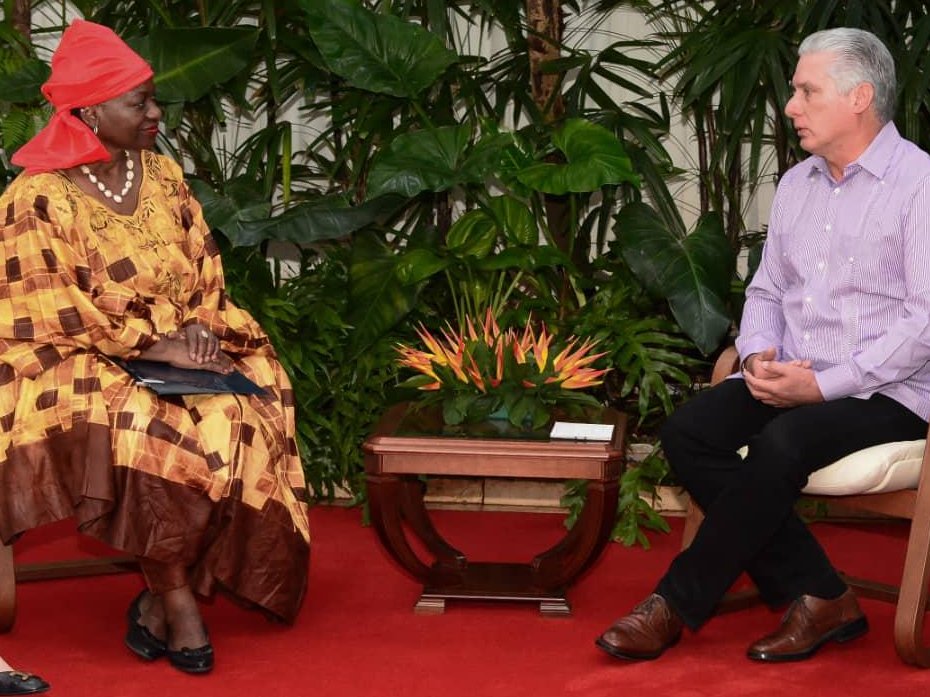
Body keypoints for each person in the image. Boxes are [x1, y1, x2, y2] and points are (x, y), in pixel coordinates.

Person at [596, 27, 930, 663]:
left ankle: (673, 604)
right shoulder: (800, 184)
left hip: (889, 389)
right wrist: (756, 356)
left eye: (807, 91)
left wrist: (822, 387)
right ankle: (819, 591)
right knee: (690, 430)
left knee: (785, 441)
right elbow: (769, 288)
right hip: (793, 374)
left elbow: (925, 321)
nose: (790, 105)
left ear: (860, 97)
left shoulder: (921, 186)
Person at [0, 20, 310, 674]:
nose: (155, 113)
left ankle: (160, 600)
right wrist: (154, 343)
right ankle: (174, 600)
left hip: (168, 346)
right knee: (153, 431)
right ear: (89, 110)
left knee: (244, 410)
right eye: (137, 102)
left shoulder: (163, 174)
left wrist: (199, 331)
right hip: (65, 359)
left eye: (151, 98)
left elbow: (203, 266)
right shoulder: (36, 197)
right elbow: (49, 310)